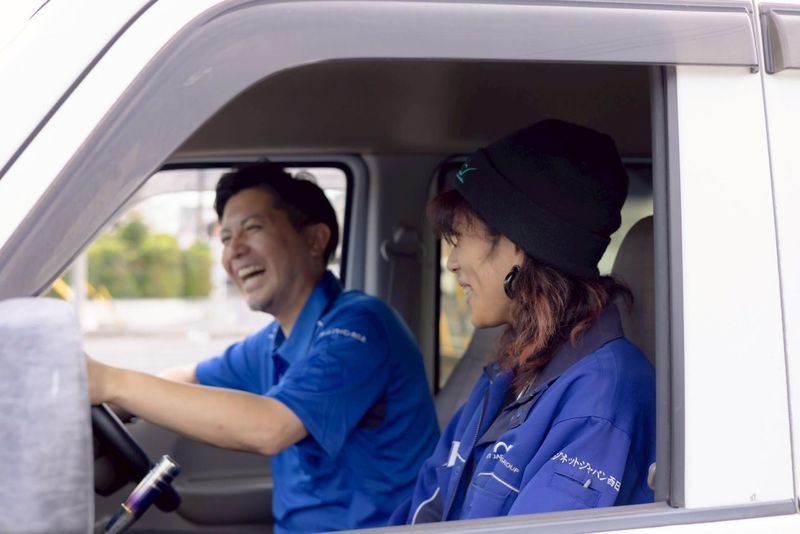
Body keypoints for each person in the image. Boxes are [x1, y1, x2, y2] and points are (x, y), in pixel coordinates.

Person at [88, 161, 440, 533]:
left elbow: (271, 428)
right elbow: (189, 378)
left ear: (314, 240)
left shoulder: (360, 327)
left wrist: (113, 382)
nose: (234, 251)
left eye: (252, 228)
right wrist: (106, 404)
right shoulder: (274, 341)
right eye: (226, 238)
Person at [389, 119, 656, 524]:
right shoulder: (508, 375)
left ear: (517, 243)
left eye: (460, 239)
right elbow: (425, 508)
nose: (452, 262)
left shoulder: (601, 400)